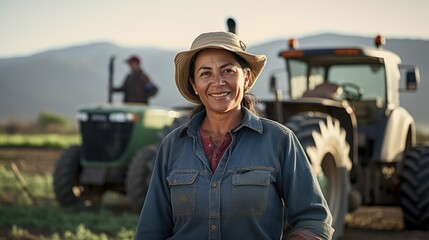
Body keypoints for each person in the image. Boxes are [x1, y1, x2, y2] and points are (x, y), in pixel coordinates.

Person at [134, 32, 334, 240]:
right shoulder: (173, 146)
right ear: (194, 85)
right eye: (205, 73)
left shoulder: (280, 141)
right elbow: (150, 230)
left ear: (246, 78)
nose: (218, 82)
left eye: (228, 70)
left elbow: (314, 220)